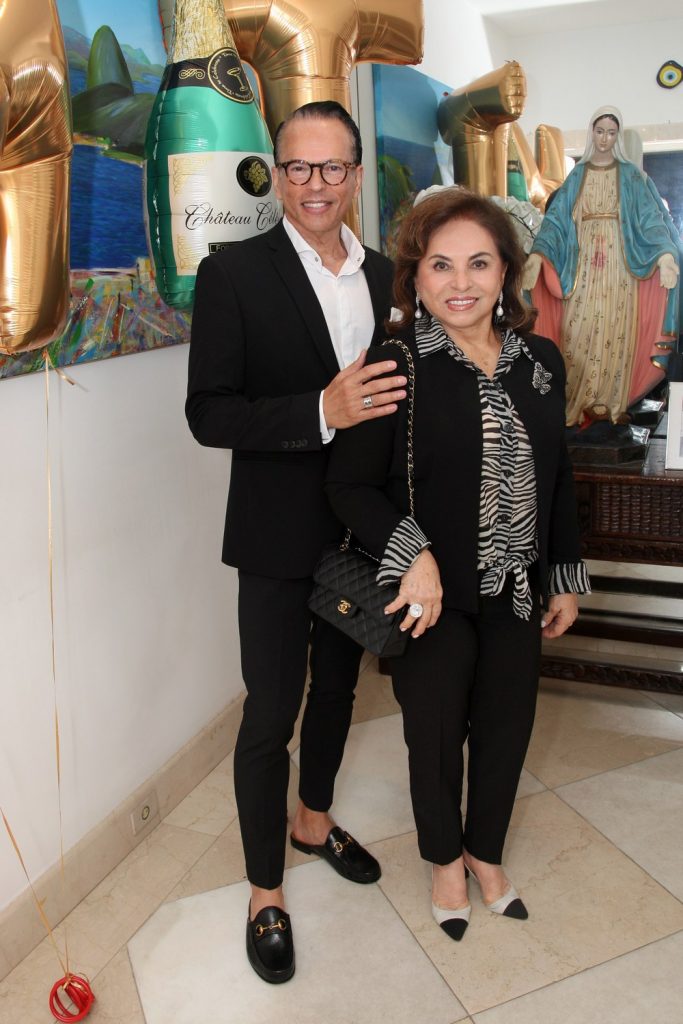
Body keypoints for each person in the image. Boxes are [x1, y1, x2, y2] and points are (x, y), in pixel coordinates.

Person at [325, 188, 590, 942]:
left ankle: (486, 853)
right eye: (440, 265)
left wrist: (564, 575)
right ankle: (444, 859)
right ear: (416, 276)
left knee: (507, 728)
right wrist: (413, 555)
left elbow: (556, 475)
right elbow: (348, 485)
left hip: (515, 588)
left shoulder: (540, 362)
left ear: (505, 271)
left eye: (478, 263)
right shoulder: (395, 363)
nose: (461, 282)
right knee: (436, 733)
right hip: (431, 595)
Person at [186, 101, 406, 984]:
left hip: (362, 528)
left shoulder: (387, 276)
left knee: (340, 690)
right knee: (270, 709)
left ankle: (312, 820)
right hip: (275, 532)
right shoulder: (232, 273)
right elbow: (209, 414)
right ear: (276, 174)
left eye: (332, 167)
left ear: (355, 174)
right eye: (298, 168)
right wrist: (321, 409)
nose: (315, 185)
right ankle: (264, 890)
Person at [524, 105, 680, 426]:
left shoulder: (631, 176)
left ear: (618, 135)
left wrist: (665, 254)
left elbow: (651, 219)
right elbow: (555, 220)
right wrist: (538, 255)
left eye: (611, 132)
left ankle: (612, 403)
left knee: (618, 327)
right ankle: (579, 400)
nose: (605, 138)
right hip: (581, 266)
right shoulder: (577, 176)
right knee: (577, 330)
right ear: (591, 133)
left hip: (620, 268)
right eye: (599, 132)